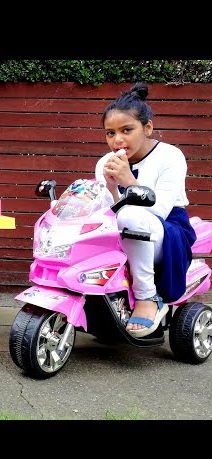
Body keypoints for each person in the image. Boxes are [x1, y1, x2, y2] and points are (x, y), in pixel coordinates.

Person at [95, 81, 196, 338]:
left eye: (127, 130)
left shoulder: (170, 156)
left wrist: (128, 181)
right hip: (120, 226)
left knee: (131, 215)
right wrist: (109, 188)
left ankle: (147, 297)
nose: (118, 140)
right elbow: (105, 210)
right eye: (110, 133)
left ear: (147, 127)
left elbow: (160, 210)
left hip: (168, 229)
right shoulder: (105, 163)